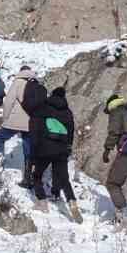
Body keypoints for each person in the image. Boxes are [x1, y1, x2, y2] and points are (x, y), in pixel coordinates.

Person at [24, 80, 81, 222]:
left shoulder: (44, 108)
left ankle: (42, 202)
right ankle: (72, 202)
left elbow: (36, 129)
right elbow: (71, 133)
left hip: (45, 147)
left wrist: (34, 150)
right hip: (62, 149)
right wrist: (68, 148)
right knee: (64, 178)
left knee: (37, 175)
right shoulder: (68, 112)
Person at [0, 64, 39, 186]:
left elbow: (8, 102)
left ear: (21, 72)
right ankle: (28, 179)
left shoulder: (18, 82)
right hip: (31, 123)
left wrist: (5, 118)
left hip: (15, 121)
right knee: (28, 150)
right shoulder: (37, 84)